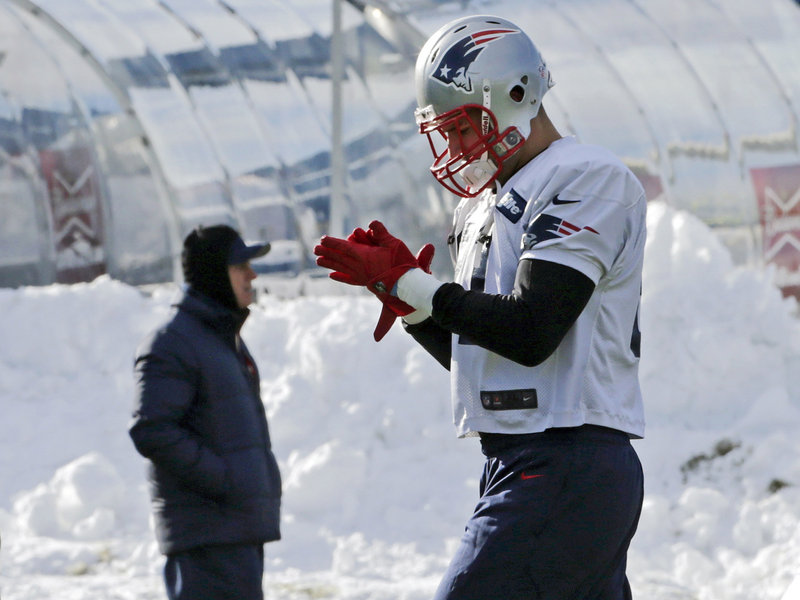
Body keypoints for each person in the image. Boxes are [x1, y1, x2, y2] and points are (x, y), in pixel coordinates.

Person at [314, 14, 646, 599]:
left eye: (465, 127)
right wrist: (409, 304)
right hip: (531, 459)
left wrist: (419, 287)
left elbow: (532, 331)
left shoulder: (586, 177)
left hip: (567, 457)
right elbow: (488, 359)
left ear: (515, 94)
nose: (458, 147)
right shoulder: (487, 206)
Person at [130, 224, 281, 600]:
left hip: (233, 532)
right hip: (207, 538)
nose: (252, 275)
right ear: (216, 274)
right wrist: (224, 480)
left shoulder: (220, 339)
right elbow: (152, 430)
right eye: (241, 266)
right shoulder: (173, 342)